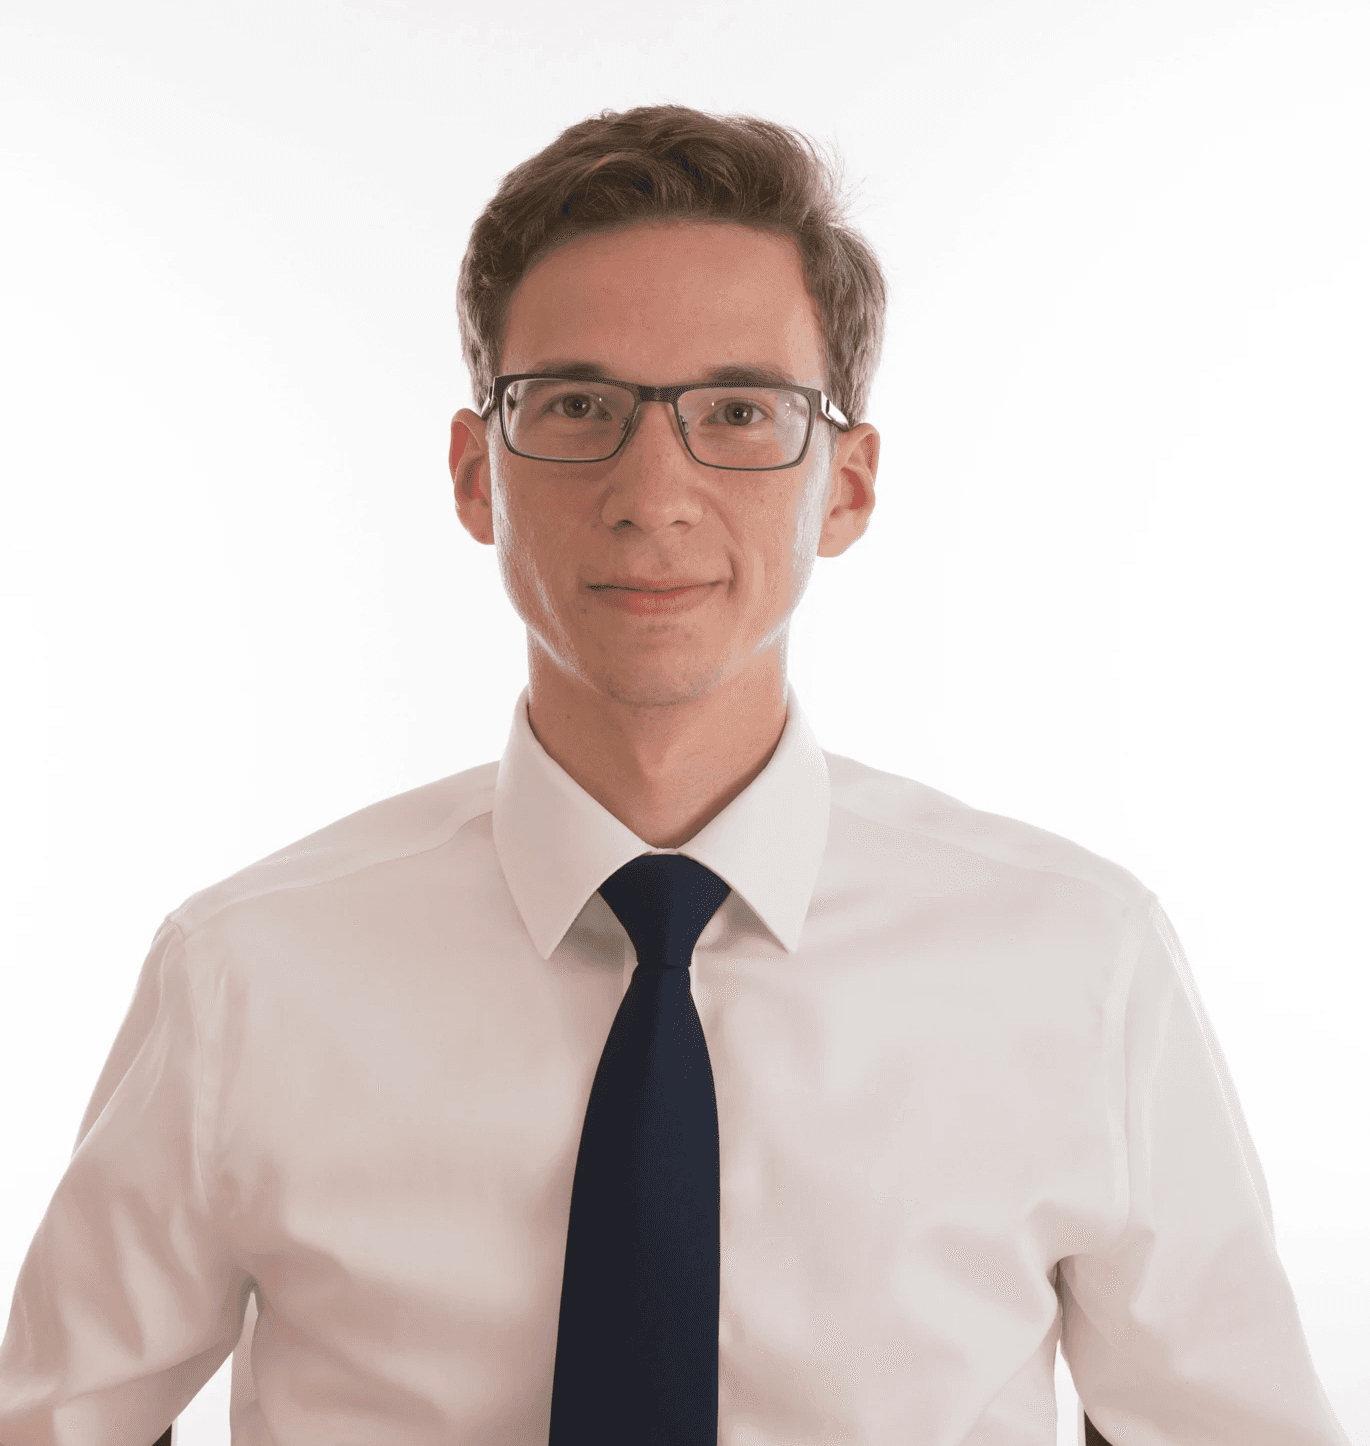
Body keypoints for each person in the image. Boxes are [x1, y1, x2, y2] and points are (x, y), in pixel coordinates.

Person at [0, 103, 1350, 1446]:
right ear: (475, 474)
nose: (653, 493)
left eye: (740, 411)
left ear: (845, 486)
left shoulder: (1080, 964)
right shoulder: (247, 973)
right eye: (576, 406)